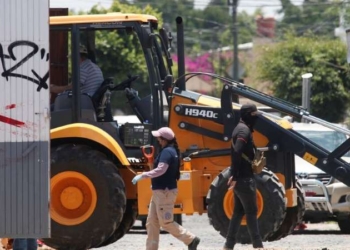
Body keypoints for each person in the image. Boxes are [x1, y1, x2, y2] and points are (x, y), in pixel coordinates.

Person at [132, 127, 200, 250]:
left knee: (166, 223)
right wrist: (151, 164)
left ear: (164, 139)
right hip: (160, 192)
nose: (157, 139)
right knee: (152, 222)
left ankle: (191, 239)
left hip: (164, 192)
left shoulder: (167, 152)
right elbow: (162, 170)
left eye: (159, 137)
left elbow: (161, 170)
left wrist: (143, 175)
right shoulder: (171, 151)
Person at [223, 103, 264, 250]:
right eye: (254, 116)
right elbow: (237, 152)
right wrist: (234, 175)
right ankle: (258, 245)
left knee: (238, 212)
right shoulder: (243, 131)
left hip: (241, 178)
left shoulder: (241, 128)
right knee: (251, 212)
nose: (256, 120)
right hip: (245, 179)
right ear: (248, 115)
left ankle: (228, 245)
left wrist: (234, 175)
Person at [50, 45, 104, 110]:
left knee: (51, 109)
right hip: (88, 100)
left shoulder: (83, 68)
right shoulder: (93, 66)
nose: (71, 60)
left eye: (72, 58)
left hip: (85, 102)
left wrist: (54, 88)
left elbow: (73, 87)